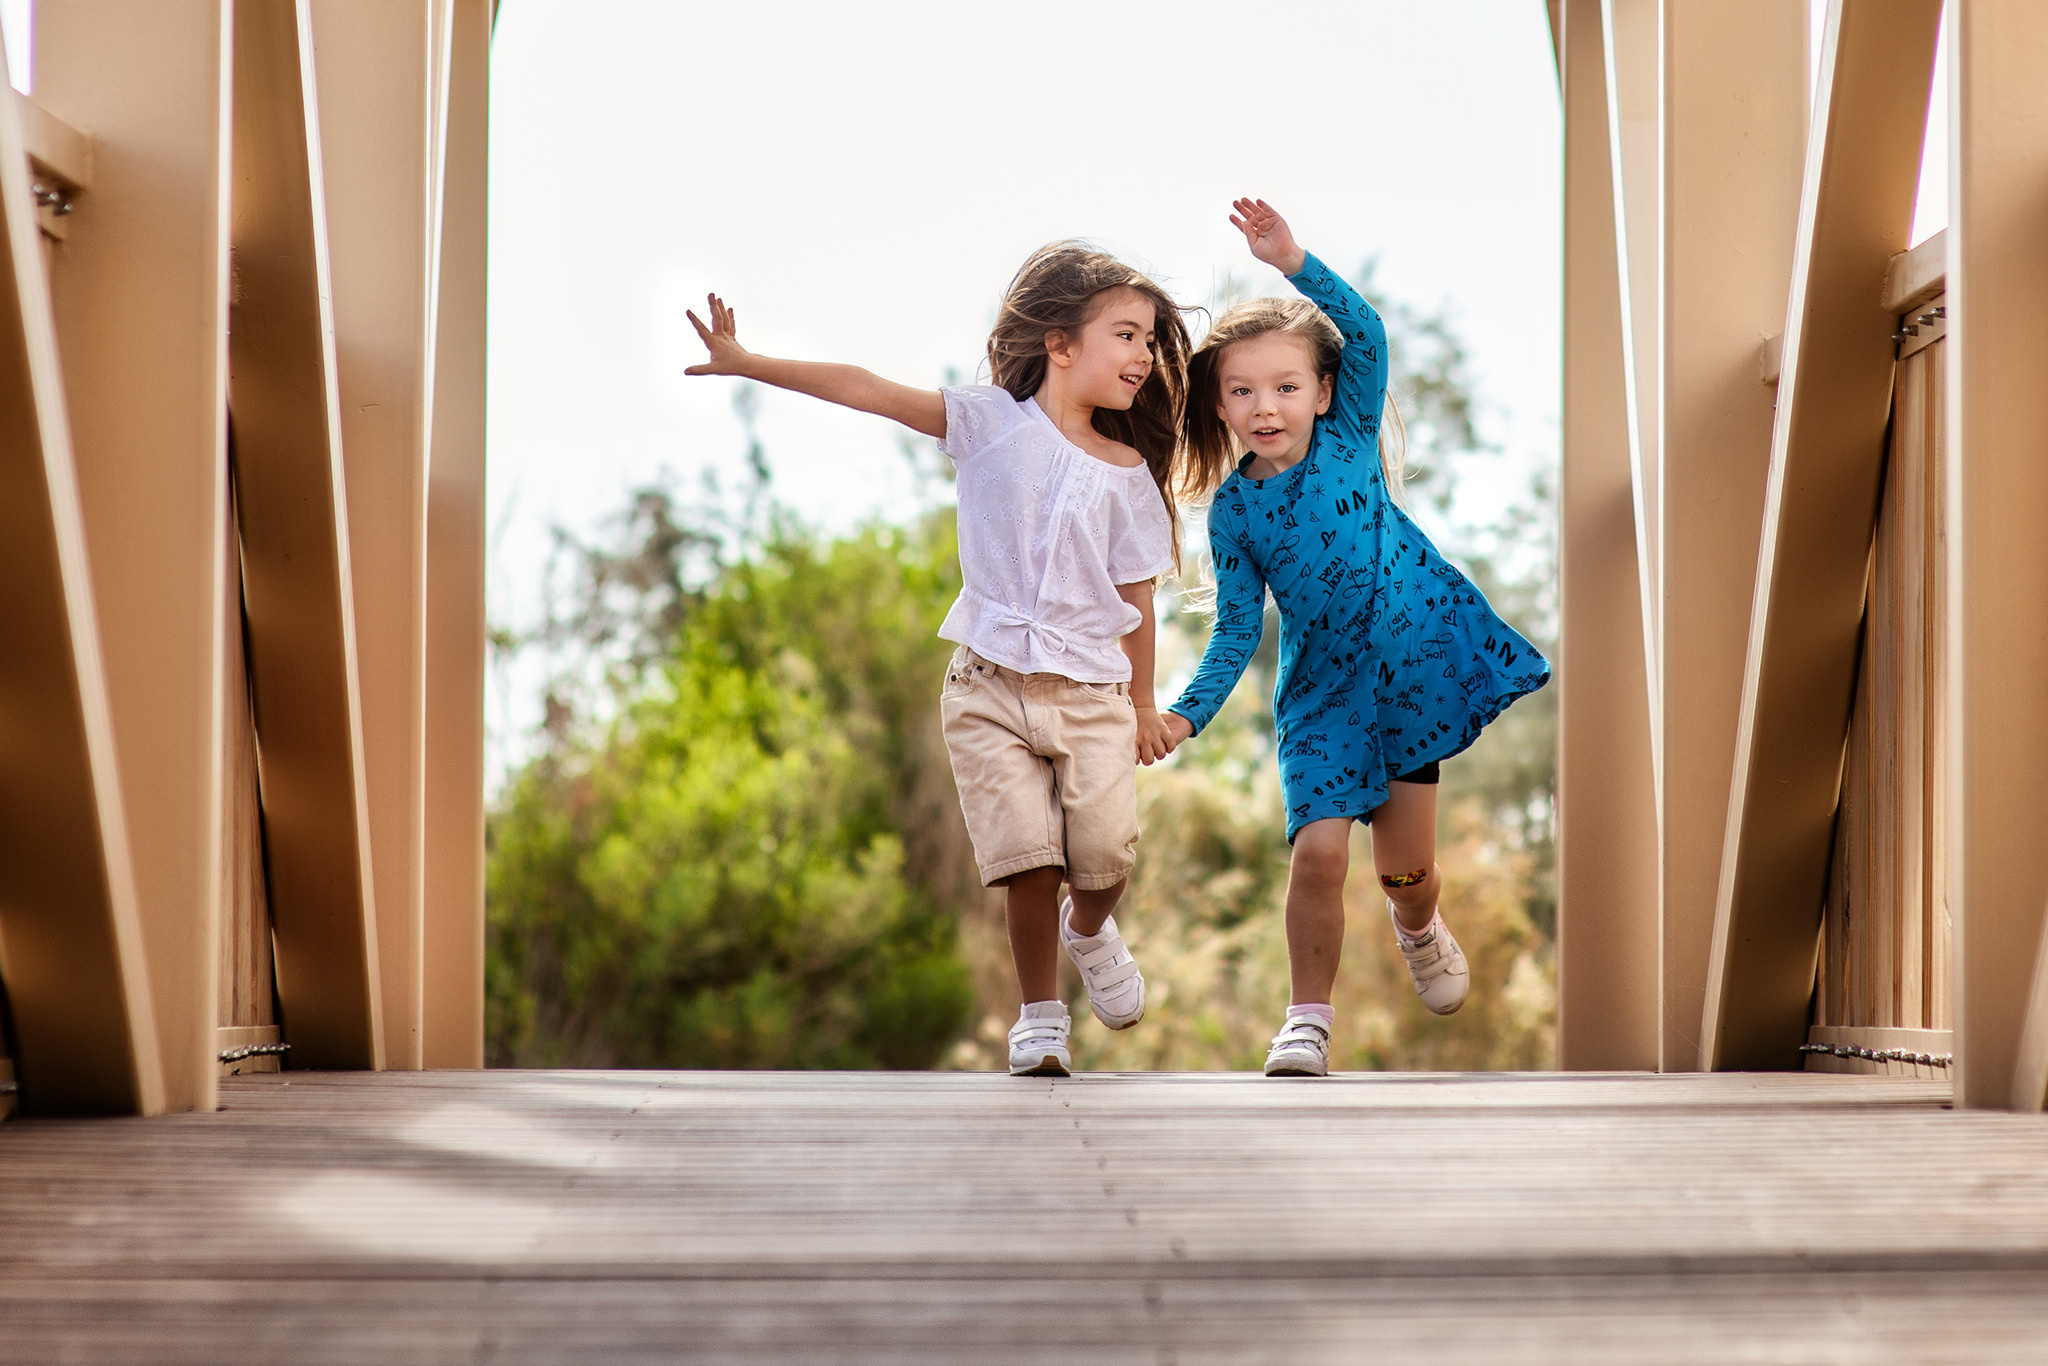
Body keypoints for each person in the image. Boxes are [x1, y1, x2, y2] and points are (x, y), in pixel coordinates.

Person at [685, 244, 1193, 1077]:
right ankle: (1038, 1017)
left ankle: (1091, 930)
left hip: (1093, 692)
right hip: (986, 683)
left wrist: (1143, 704)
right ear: (1060, 344)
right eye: (1127, 335)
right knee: (1029, 861)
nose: (1144, 355)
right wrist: (750, 363)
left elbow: (1136, 602)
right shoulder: (991, 422)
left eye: (1149, 341)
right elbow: (870, 389)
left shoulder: (1130, 475)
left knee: (1102, 863)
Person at [1160, 199, 1550, 1078]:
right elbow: (1232, 631)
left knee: (1405, 871)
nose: (1267, 407)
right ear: (1219, 404)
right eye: (1243, 390)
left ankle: (1417, 927)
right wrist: (1186, 716)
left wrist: (1292, 260)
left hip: (1411, 666)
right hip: (1324, 696)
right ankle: (1307, 1022)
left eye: (1286, 386)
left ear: (1324, 393)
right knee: (1321, 850)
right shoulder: (1233, 510)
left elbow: (1366, 331)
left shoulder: (1347, 440)